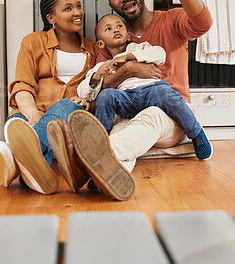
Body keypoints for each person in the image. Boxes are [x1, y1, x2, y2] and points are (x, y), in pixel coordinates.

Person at [64, 0, 213, 177]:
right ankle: (103, 177)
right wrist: (129, 70)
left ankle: (82, 159)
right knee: (122, 134)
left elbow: (204, 22)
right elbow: (102, 88)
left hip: (171, 115)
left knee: (151, 116)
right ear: (112, 5)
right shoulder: (113, 41)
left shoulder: (171, 20)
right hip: (127, 111)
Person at [0, 0, 136, 199]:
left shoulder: (94, 49)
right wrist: (33, 115)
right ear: (51, 18)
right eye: (68, 8)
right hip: (34, 111)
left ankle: (13, 160)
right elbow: (22, 84)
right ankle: (40, 177)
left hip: (70, 113)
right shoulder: (33, 41)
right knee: (17, 122)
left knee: (64, 107)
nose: (77, 12)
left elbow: (103, 85)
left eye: (78, 6)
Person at [76, 13, 212, 160]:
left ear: (128, 36)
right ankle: (101, 138)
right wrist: (96, 77)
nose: (115, 30)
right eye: (108, 29)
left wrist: (129, 57)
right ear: (101, 44)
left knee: (165, 94)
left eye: (119, 26)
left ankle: (196, 133)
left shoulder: (139, 48)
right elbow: (83, 93)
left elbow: (160, 54)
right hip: (126, 97)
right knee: (107, 95)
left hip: (151, 90)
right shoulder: (102, 66)